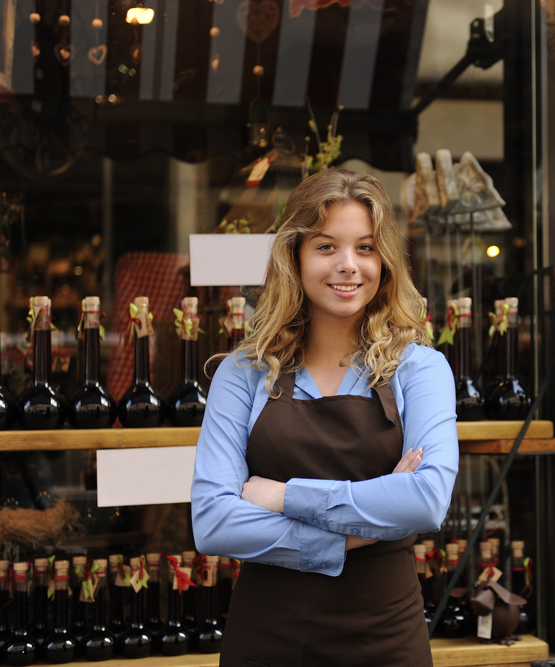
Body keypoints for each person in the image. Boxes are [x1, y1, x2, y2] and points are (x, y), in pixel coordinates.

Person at [190, 169, 458, 667]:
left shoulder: (420, 368)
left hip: (385, 642)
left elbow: (425, 500)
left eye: (365, 247)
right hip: (266, 642)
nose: (348, 266)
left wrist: (281, 495)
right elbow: (213, 523)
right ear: (294, 256)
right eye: (326, 246)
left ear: (386, 260)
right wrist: (363, 529)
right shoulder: (242, 373)